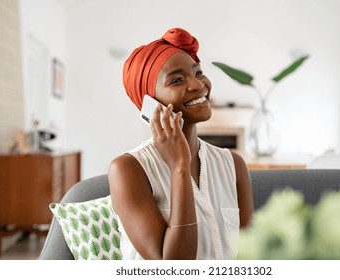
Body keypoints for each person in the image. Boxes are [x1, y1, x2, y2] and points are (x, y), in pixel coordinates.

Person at [108, 27, 254, 260]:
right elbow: (173, 268)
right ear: (150, 104)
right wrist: (179, 166)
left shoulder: (233, 164)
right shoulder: (127, 169)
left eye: (198, 73)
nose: (198, 85)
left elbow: (249, 256)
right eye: (177, 79)